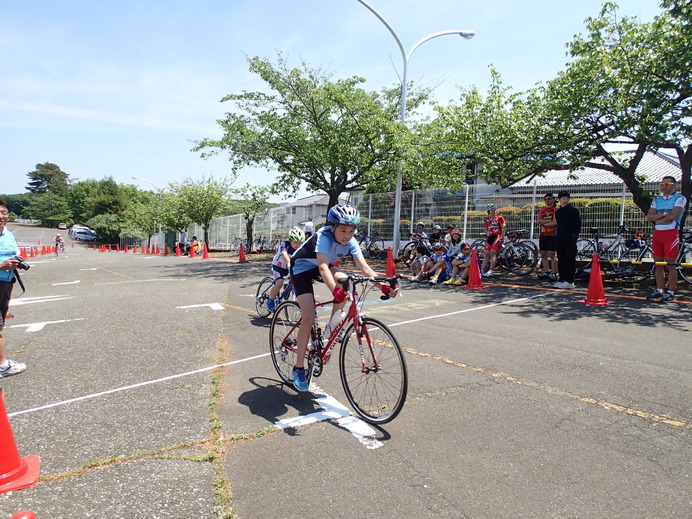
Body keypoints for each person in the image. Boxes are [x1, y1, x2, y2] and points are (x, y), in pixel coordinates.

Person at [289, 204, 399, 391]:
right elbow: (323, 268)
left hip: (321, 266)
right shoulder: (324, 236)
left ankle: (331, 328)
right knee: (308, 317)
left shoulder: (351, 241)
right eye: (342, 230)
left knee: (347, 281)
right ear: (332, 227)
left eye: (351, 230)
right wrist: (334, 291)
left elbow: (365, 269)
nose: (347, 235)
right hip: (301, 269)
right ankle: (298, 367)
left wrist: (384, 287)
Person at [646, 176, 687, 302]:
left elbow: (673, 216)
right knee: (658, 264)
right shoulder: (656, 200)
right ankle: (659, 290)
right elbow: (649, 217)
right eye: (662, 184)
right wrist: (663, 215)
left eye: (667, 184)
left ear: (674, 185)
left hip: (671, 233)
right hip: (658, 233)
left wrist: (658, 218)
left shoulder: (680, 198)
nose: (664, 186)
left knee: (670, 264)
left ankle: (670, 291)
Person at [0, 200, 26, 378]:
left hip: (7, 283)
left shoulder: (8, 234)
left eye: (4, 212)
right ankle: (2, 365)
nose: (1, 216)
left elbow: (16, 252)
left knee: (1, 321)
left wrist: (18, 260)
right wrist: (2, 265)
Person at [266, 227, 305, 312]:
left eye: (300, 242)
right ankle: (271, 301)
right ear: (290, 240)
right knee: (279, 283)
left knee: (296, 280)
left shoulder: (300, 248)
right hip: (279, 266)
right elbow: (284, 253)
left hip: (289, 267)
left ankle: (287, 288)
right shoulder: (285, 244)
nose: (297, 245)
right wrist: (289, 262)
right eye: (295, 242)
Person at [554, 191, 581, 289]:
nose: (565, 200)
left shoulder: (573, 210)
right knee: (561, 259)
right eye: (563, 198)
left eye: (567, 198)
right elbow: (559, 225)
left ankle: (570, 281)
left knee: (570, 259)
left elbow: (578, 225)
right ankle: (562, 279)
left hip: (570, 238)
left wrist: (574, 236)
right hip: (560, 237)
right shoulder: (558, 212)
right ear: (559, 200)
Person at [537, 193, 558, 281]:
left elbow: (555, 222)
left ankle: (554, 273)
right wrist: (549, 221)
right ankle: (546, 271)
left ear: (553, 199)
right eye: (545, 199)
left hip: (553, 235)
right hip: (543, 234)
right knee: (543, 253)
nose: (547, 201)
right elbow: (538, 220)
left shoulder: (556, 210)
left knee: (552, 254)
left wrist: (545, 222)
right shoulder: (542, 210)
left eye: (549, 199)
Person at [481, 204, 506, 277]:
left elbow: (503, 228)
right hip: (490, 237)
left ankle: (491, 270)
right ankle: (482, 270)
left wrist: (502, 237)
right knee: (486, 254)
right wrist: (487, 232)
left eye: (495, 210)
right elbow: (485, 228)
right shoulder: (487, 219)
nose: (494, 211)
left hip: (497, 236)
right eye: (492, 210)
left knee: (493, 253)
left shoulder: (499, 218)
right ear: (489, 211)